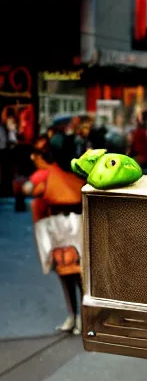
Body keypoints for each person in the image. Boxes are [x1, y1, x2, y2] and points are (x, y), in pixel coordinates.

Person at [22, 137, 86, 335]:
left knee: (69, 272)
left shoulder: (47, 173)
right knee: (76, 273)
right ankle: (78, 317)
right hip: (76, 222)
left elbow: (28, 189)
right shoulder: (76, 173)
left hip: (61, 224)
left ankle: (76, 316)